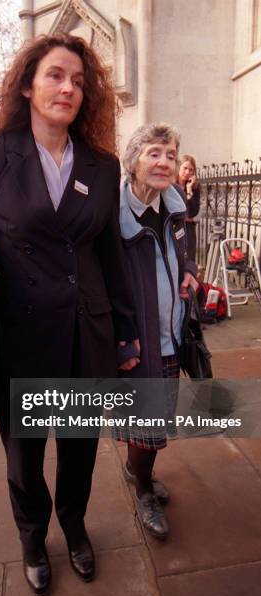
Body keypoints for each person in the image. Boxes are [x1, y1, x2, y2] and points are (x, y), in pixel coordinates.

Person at [0, 34, 139, 596]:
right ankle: (33, 536)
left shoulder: (103, 165)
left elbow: (108, 253)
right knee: (24, 459)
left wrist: (125, 332)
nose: (68, 88)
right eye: (55, 75)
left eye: (78, 80)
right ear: (28, 85)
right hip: (19, 337)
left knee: (79, 450)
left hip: (84, 335)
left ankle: (74, 527)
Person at [114, 123, 198, 541]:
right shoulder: (114, 214)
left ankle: (136, 469)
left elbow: (186, 249)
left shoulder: (175, 203)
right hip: (137, 338)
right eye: (154, 153)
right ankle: (143, 488)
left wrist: (190, 273)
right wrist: (120, 336)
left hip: (172, 332)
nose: (164, 162)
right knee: (147, 423)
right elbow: (102, 282)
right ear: (134, 161)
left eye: (170, 154)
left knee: (156, 419)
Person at [178, 154, 200, 261]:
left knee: (189, 259)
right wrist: (184, 217)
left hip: (189, 230)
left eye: (191, 170)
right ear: (178, 167)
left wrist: (189, 190)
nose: (187, 172)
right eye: (185, 168)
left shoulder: (195, 187)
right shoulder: (171, 185)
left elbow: (192, 213)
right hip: (174, 227)